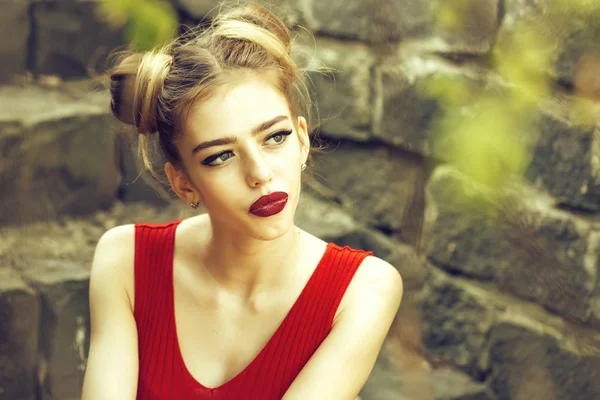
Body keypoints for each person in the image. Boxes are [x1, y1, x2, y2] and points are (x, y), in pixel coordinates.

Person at [81, 3, 403, 399]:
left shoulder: (365, 290)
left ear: (302, 139)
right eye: (219, 156)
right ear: (183, 184)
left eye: (275, 137)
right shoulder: (125, 261)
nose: (260, 173)